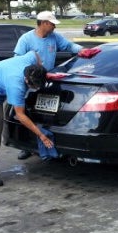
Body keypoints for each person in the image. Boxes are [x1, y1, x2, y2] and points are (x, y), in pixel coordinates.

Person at [0, 51, 53, 187]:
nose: (35, 88)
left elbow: (35, 54)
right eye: (34, 85)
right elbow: (20, 115)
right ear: (27, 80)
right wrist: (41, 135)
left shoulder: (30, 61)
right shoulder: (16, 85)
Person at [13, 10, 83, 160]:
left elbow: (69, 46)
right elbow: (17, 62)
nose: (54, 27)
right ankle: (28, 146)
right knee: (28, 114)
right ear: (44, 23)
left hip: (48, 82)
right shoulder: (26, 39)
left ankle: (49, 141)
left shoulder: (54, 37)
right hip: (31, 84)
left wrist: (82, 50)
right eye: (52, 24)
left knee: (48, 115)